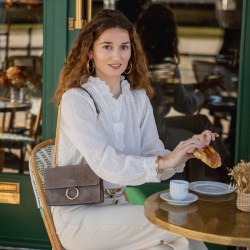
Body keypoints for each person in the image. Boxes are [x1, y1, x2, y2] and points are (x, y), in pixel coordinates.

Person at [52, 9, 218, 250]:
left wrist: (183, 152)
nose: (117, 55)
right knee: (179, 225)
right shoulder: (77, 99)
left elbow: (152, 153)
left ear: (132, 51)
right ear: (90, 51)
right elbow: (105, 163)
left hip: (118, 206)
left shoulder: (137, 98)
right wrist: (163, 163)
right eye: (107, 46)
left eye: (124, 47)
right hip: (79, 215)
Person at [136, 4, 231, 181]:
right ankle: (213, 179)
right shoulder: (166, 64)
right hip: (156, 134)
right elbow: (185, 105)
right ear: (169, 34)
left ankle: (225, 167)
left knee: (201, 121)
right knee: (197, 142)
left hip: (151, 127)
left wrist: (198, 86)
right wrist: (206, 92)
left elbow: (168, 90)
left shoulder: (141, 60)